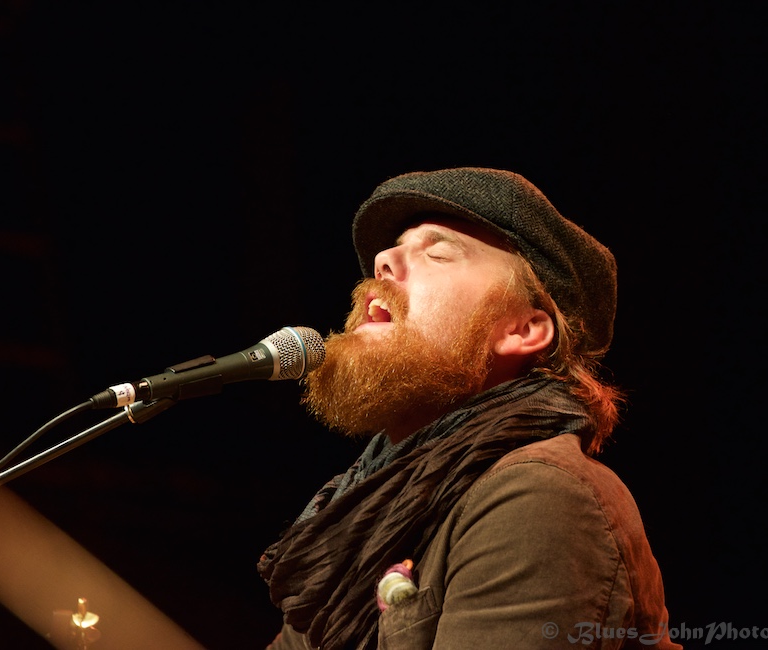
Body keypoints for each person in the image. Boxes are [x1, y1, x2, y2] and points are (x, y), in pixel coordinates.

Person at [257, 167, 681, 649]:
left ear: (522, 329)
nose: (382, 261)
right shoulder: (369, 508)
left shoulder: (538, 494)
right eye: (390, 250)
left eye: (437, 253)